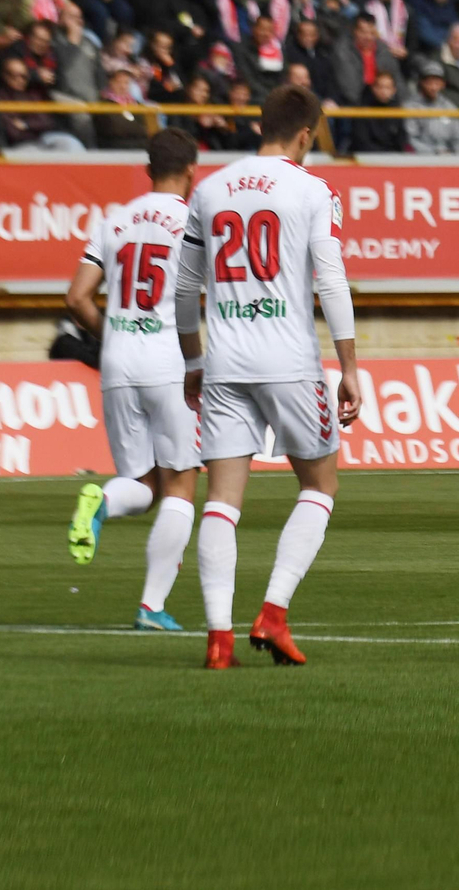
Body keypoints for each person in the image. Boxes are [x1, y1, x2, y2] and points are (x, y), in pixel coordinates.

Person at [174, 87, 362, 671]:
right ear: (306, 135)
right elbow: (330, 281)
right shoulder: (312, 189)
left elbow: (183, 290)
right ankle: (273, 614)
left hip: (226, 364)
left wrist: (193, 363)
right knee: (320, 486)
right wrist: (350, 366)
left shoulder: (208, 189)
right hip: (290, 362)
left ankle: (217, 639)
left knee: (221, 503)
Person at [63, 130, 203, 633]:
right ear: (192, 170)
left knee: (141, 485)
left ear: (148, 169)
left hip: (119, 362)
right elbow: (200, 299)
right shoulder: (192, 221)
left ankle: (101, 499)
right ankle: (151, 607)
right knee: (181, 485)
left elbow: (77, 298)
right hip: (169, 363)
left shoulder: (113, 220)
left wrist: (113, 334)